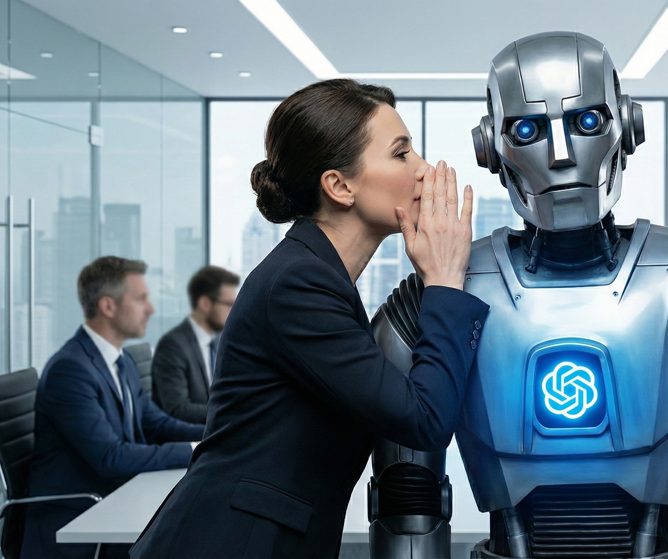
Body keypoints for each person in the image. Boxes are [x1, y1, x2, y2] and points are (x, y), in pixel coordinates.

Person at [130, 79, 488, 558]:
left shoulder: (318, 277)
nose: (423, 169)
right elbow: (422, 419)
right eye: (401, 154)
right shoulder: (299, 284)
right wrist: (444, 279)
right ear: (340, 186)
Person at [22, 257, 204, 559]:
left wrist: (215, 431)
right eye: (141, 299)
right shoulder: (71, 370)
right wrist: (195, 449)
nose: (151, 309)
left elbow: (155, 423)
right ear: (108, 306)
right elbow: (110, 457)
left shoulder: (120, 360)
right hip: (78, 519)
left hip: (115, 498)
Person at [152, 265, 239, 423]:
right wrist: (231, 413)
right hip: (191, 437)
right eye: (229, 304)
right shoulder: (173, 346)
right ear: (205, 303)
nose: (234, 312)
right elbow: (178, 409)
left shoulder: (218, 342)